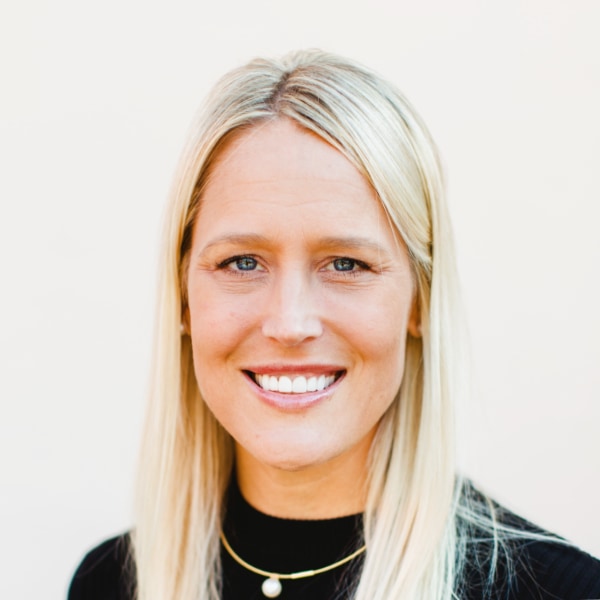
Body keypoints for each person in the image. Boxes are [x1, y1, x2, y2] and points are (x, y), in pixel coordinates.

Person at [68, 50, 600, 600]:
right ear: (183, 297)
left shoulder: (561, 591)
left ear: (420, 300)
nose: (290, 323)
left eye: (347, 264)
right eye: (242, 263)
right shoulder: (109, 583)